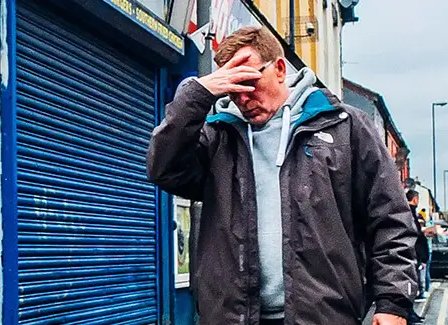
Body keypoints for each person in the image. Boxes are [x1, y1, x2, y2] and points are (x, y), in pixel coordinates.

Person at [147, 26, 418, 325]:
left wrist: (392, 302)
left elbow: (389, 218)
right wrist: (197, 94)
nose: (243, 98)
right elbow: (163, 170)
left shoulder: (344, 127)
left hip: (325, 317)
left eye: (249, 81)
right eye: (233, 87)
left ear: (278, 68)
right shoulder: (218, 137)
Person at [406, 190, 429, 324]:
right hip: (412, 254)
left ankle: (411, 312)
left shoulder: (410, 212)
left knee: (412, 286)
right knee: (410, 285)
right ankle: (409, 313)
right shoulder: (409, 212)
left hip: (414, 254)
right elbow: (416, 236)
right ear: (415, 199)